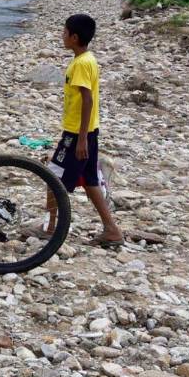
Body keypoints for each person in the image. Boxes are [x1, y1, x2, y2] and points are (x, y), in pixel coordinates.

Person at [44, 13, 124, 247]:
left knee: (52, 176)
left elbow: (87, 100)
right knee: (90, 181)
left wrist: (80, 140)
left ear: (74, 37)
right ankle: (112, 230)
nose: (62, 35)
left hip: (77, 134)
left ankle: (50, 228)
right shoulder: (88, 59)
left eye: (65, 32)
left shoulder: (80, 64)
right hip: (89, 131)